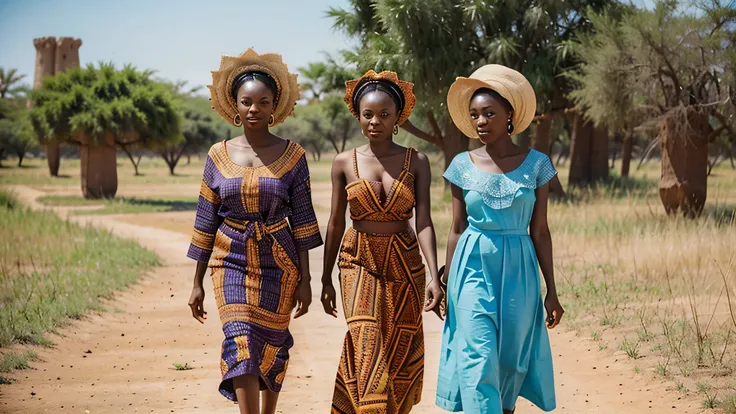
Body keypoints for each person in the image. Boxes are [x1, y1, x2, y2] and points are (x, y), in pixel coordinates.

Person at [186, 48, 322, 414]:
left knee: (274, 344)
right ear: (234, 105)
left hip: (280, 262)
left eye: (263, 102)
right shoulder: (217, 155)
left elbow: (305, 221)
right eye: (246, 101)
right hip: (228, 260)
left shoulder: (294, 155)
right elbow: (205, 220)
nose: (254, 109)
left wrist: (307, 280)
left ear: (275, 106)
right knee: (240, 337)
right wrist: (196, 281)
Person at [435, 64, 564, 414]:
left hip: (520, 269)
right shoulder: (461, 164)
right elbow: (457, 227)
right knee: (478, 356)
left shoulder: (537, 164)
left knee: (510, 361)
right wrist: (444, 283)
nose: (481, 121)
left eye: (489, 113)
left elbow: (540, 230)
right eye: (475, 114)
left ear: (510, 114)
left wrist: (551, 290)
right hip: (472, 265)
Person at [320, 70, 444, 414]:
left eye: (384, 115)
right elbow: (334, 222)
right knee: (366, 339)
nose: (375, 122)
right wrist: (325, 277)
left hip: (405, 264)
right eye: (368, 114)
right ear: (358, 116)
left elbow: (425, 222)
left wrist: (435, 276)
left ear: (398, 118)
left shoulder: (416, 161)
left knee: (399, 350)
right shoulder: (344, 162)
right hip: (357, 259)